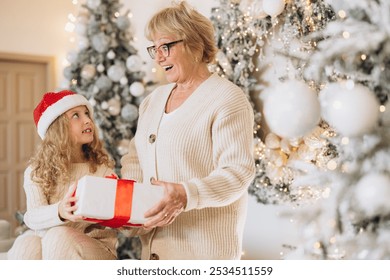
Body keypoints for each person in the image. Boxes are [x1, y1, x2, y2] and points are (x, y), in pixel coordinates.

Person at [120, 1, 255, 260]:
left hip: (203, 254)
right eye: (155, 48)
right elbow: (135, 160)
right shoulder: (152, 100)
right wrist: (131, 211)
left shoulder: (227, 98)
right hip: (152, 254)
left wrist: (186, 194)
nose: (159, 57)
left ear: (194, 44)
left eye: (166, 46)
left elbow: (238, 173)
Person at [7, 90, 118, 260]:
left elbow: (116, 213)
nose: (88, 119)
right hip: (51, 242)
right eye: (76, 116)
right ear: (58, 128)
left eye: (86, 113)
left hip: (95, 246)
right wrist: (60, 211)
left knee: (58, 237)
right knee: (26, 244)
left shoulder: (101, 170)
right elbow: (32, 217)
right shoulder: (37, 170)